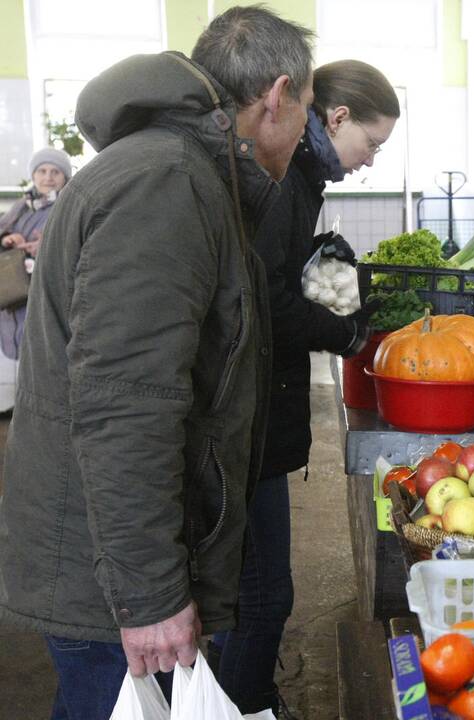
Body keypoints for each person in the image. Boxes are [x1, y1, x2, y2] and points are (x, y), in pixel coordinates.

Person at [0, 7, 315, 719]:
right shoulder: (165, 184)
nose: (304, 134)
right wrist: (149, 596)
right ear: (277, 94)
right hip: (108, 577)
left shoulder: (182, 170)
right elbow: (125, 401)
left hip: (112, 555)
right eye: (307, 111)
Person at [210, 58, 399, 715]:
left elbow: (280, 267)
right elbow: (261, 296)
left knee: (249, 589)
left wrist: (329, 274)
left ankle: (242, 697)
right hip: (246, 417)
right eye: (370, 144)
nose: (370, 161)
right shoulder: (282, 176)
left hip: (259, 411)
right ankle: (246, 704)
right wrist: (340, 333)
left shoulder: (299, 178)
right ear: (336, 117)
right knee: (263, 592)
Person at [0, 148, 71, 360]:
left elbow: (77, 245)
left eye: (55, 172)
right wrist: (8, 240)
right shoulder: (23, 205)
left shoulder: (69, 206)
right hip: (15, 293)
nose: (48, 178)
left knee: (45, 357)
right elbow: (3, 232)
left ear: (65, 177)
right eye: (42, 171)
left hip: (45, 293)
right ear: (33, 175)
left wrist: (43, 247)